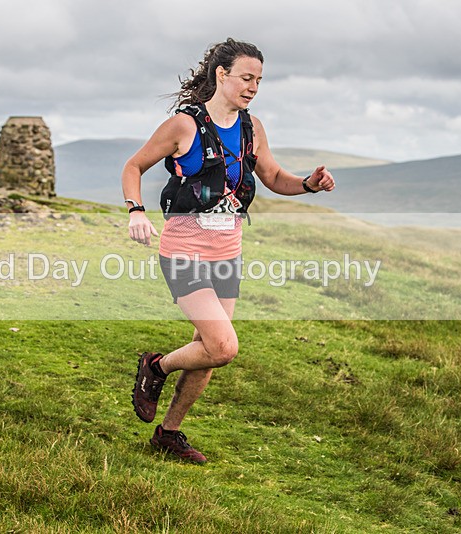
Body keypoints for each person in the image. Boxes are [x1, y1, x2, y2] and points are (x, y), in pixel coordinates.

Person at [123, 38, 335, 463]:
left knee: (206, 349)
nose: (253, 86)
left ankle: (169, 433)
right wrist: (136, 210)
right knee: (223, 346)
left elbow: (273, 175)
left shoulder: (252, 129)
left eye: (259, 79)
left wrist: (308, 184)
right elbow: (134, 166)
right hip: (184, 248)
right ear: (222, 75)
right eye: (246, 77)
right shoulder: (184, 125)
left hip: (227, 251)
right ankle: (156, 366)